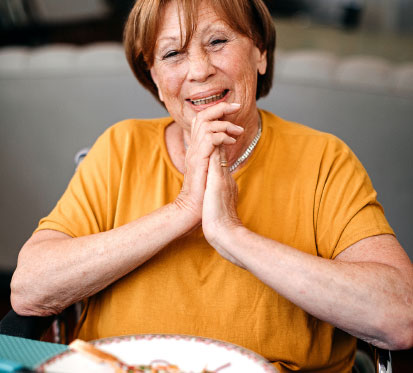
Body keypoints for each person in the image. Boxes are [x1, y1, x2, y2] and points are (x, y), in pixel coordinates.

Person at [10, 0, 413, 371]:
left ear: (260, 52)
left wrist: (232, 236)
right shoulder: (121, 147)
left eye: (217, 41)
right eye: (172, 54)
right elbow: (30, 289)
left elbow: (400, 316)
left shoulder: (323, 159)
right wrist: (183, 210)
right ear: (152, 74)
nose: (199, 70)